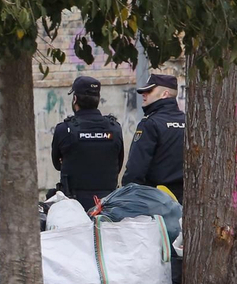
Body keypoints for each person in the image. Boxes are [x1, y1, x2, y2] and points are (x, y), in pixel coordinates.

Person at [49, 75, 124, 209]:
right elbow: (118, 164)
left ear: (75, 99)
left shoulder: (64, 129)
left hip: (74, 207)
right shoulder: (115, 128)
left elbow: (57, 163)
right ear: (98, 99)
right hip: (108, 206)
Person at [124, 72, 186, 203]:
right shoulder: (189, 122)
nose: (143, 94)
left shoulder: (150, 124)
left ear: (165, 94)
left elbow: (136, 169)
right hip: (188, 199)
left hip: (158, 202)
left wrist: (127, 196)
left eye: (149, 90)